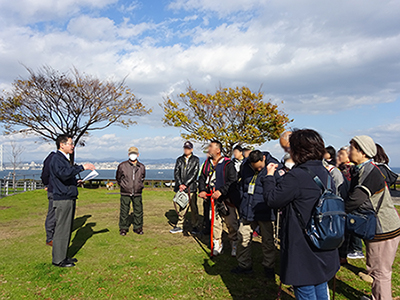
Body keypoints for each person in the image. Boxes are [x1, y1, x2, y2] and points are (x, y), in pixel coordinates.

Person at [263, 129, 339, 300]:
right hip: (323, 239)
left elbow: (273, 200)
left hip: (302, 244)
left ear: (298, 150)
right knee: (320, 284)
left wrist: (269, 177)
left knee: (305, 289)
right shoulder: (326, 174)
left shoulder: (297, 176)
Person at [346, 136, 400, 300]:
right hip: (381, 227)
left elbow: (355, 199)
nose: (349, 151)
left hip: (383, 229)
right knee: (377, 269)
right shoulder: (364, 169)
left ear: (362, 152)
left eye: (352, 148)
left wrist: (336, 210)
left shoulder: (369, 172)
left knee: (380, 271)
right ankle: (377, 296)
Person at [231, 150, 281, 279]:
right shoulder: (245, 166)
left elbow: (279, 188)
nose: (258, 169)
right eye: (255, 167)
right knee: (243, 237)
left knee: (268, 241)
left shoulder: (274, 167)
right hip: (247, 209)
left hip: (265, 210)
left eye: (260, 166)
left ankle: (269, 266)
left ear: (264, 158)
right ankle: (244, 265)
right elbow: (241, 184)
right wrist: (241, 201)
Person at [50, 134, 95, 268]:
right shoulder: (57, 158)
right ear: (62, 145)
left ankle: (63, 255)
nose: (73, 146)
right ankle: (58, 260)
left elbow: (64, 176)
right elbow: (63, 174)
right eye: (70, 143)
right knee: (62, 229)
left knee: (66, 228)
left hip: (68, 196)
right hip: (63, 198)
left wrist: (75, 182)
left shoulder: (62, 159)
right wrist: (82, 167)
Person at [198, 140, 238, 256]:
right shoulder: (207, 164)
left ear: (218, 150)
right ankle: (217, 243)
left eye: (211, 146)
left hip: (226, 199)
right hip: (212, 199)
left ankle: (234, 244)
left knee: (231, 223)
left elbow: (232, 181)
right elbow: (202, 178)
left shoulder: (227, 164)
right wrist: (202, 190)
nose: (208, 149)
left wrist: (221, 191)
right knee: (215, 223)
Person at [170, 141, 200, 234]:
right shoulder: (179, 159)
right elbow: (176, 172)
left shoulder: (195, 159)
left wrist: (185, 184)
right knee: (182, 206)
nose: (186, 150)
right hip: (181, 188)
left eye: (188, 148)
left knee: (193, 207)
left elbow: (194, 173)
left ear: (191, 149)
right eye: (185, 148)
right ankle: (179, 225)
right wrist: (180, 184)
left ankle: (195, 225)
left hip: (191, 187)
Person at [116, 147, 146, 236]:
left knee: (138, 210)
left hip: (137, 191)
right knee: (124, 211)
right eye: (131, 153)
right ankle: (123, 228)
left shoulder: (141, 166)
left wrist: (139, 185)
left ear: (138, 155)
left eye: (135, 153)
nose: (133, 155)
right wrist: (123, 185)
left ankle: (138, 227)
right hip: (125, 191)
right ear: (128, 155)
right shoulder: (122, 165)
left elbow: (142, 178)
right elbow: (118, 177)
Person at [41, 150, 56, 247]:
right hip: (54, 190)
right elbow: (44, 175)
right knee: (52, 214)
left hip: (58, 190)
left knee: (55, 214)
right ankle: (50, 238)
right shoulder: (52, 158)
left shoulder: (57, 158)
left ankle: (53, 236)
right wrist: (48, 184)